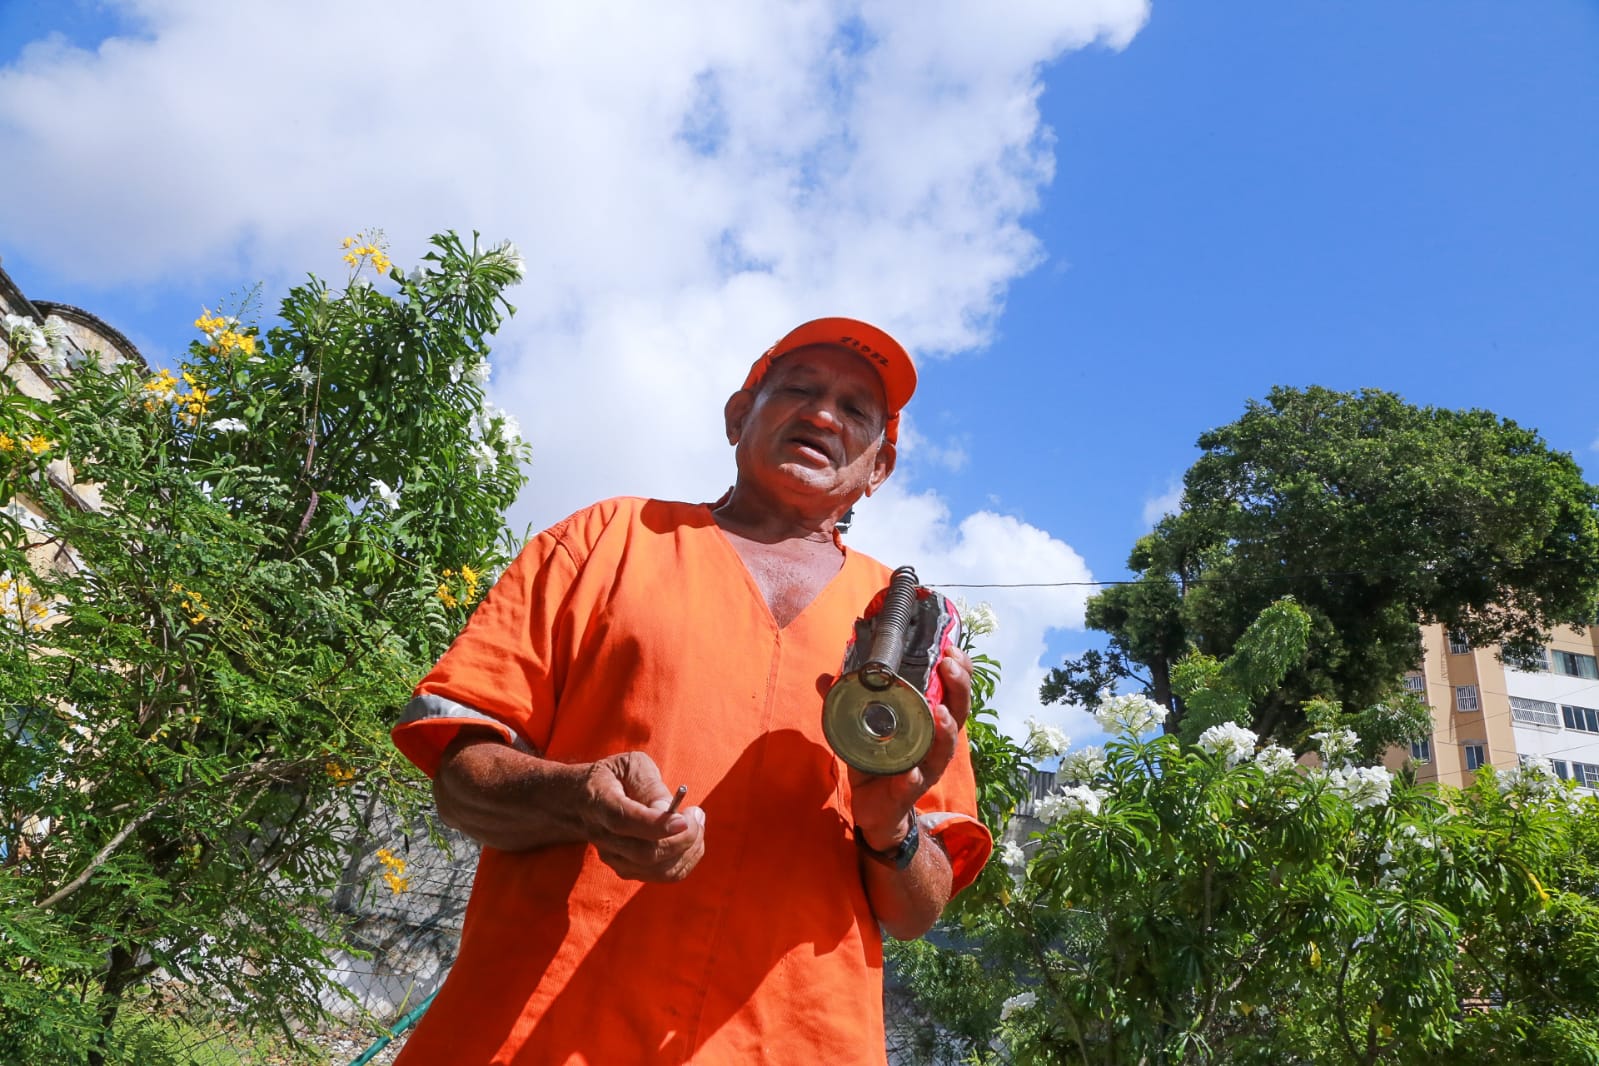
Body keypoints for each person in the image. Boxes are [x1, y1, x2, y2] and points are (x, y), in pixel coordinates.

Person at [389, 316, 993, 1065]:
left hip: (791, 1044)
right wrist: (577, 795)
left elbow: (917, 910)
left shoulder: (905, 634)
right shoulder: (606, 540)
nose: (821, 415)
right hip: (536, 1034)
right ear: (740, 416)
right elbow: (460, 777)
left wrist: (889, 824)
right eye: (799, 388)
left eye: (855, 410)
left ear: (878, 467)